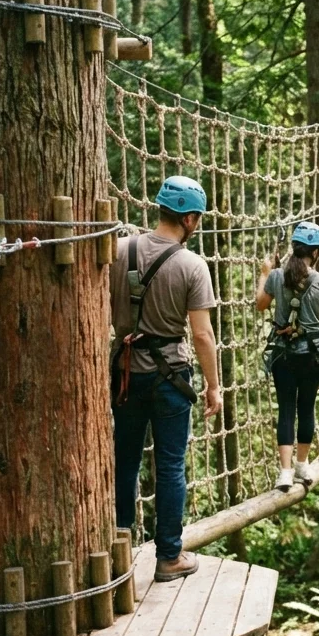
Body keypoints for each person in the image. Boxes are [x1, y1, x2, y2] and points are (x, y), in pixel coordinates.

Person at [110, 176, 222, 583]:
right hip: (171, 375)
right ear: (190, 218)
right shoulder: (192, 265)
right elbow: (202, 334)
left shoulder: (120, 249)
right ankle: (169, 557)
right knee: (171, 465)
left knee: (125, 460)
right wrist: (213, 385)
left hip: (124, 373)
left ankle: (118, 551)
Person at [256, 221, 319, 492]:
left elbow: (260, 305)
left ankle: (285, 472)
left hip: (283, 355)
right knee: (306, 408)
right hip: (312, 356)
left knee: (286, 410)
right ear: (315, 252)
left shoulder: (277, 276)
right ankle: (302, 464)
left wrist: (265, 273)